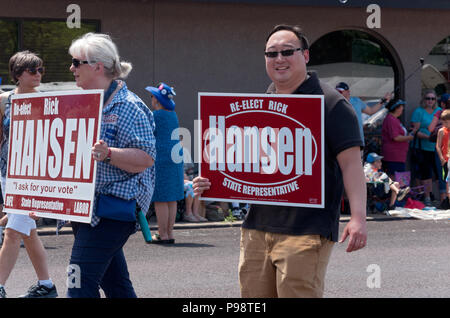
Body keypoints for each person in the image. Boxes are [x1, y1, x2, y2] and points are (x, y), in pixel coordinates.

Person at [193, 24, 367, 298]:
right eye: (271, 54)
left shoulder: (332, 103)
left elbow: (351, 165)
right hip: (256, 228)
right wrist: (211, 180)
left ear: (306, 56)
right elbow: (245, 164)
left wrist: (358, 217)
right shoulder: (262, 103)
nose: (279, 59)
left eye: (288, 51)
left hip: (306, 230)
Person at [67, 33, 156, 298]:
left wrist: (108, 154)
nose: (71, 68)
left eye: (76, 62)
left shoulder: (129, 106)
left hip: (111, 210)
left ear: (97, 66)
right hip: (85, 209)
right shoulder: (81, 103)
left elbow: (146, 158)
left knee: (78, 282)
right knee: (116, 286)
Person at [0, 51, 57, 298]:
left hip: (32, 177)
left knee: (13, 232)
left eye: (40, 70)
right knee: (28, 232)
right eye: (32, 70)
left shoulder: (46, 102)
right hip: (7, 174)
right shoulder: (4, 100)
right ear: (17, 74)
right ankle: (46, 285)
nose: (38, 75)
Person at [145, 83, 186, 241]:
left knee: (161, 197)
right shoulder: (172, 114)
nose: (151, 99)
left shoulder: (155, 115)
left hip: (161, 157)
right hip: (176, 156)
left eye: (152, 96)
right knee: (172, 197)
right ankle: (169, 233)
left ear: (157, 100)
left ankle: (162, 234)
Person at [410, 89, 442, 206]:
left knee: (440, 174)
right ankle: (427, 197)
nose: (430, 101)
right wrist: (428, 137)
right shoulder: (419, 111)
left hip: (438, 147)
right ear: (424, 99)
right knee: (426, 173)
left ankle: (443, 197)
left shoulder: (439, 111)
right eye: (428, 98)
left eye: (433, 99)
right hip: (423, 147)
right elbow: (415, 130)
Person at [336, 81, 392, 147]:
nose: (337, 94)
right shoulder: (336, 103)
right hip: (342, 142)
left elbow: (371, 111)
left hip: (357, 141)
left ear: (348, 91)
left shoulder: (357, 101)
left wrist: (383, 100)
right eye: (336, 92)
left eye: (340, 91)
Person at [381, 99, 414, 179]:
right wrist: (409, 137)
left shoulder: (394, 119)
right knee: (396, 179)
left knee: (399, 179)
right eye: (401, 106)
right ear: (396, 108)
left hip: (398, 155)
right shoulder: (391, 119)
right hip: (394, 155)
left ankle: (396, 191)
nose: (403, 108)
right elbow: (396, 137)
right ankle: (394, 192)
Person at [435, 109, 450, 209]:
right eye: (443, 121)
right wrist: (441, 157)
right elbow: (438, 146)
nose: (444, 123)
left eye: (446, 121)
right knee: (446, 180)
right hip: (445, 159)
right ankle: (447, 199)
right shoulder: (441, 131)